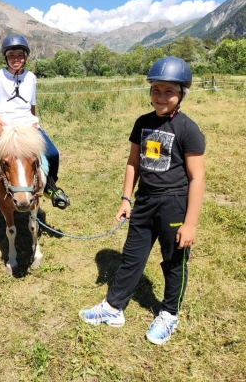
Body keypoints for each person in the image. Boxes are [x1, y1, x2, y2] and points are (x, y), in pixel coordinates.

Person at [79, 56, 205, 345]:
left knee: (173, 261)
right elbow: (133, 162)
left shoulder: (188, 129)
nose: (160, 97)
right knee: (132, 256)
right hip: (144, 201)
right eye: (156, 90)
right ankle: (113, 308)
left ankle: (169, 313)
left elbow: (197, 178)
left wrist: (190, 223)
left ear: (182, 94)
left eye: (168, 92)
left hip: (174, 203)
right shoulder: (142, 123)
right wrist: (126, 198)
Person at [0, 33, 70, 214]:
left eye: (20, 55)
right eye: (11, 55)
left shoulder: (31, 77)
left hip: (27, 126)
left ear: (25, 57)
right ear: (5, 57)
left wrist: (34, 123)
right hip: (3, 126)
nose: (16, 59)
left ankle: (51, 188)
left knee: (53, 153)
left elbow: (31, 106)